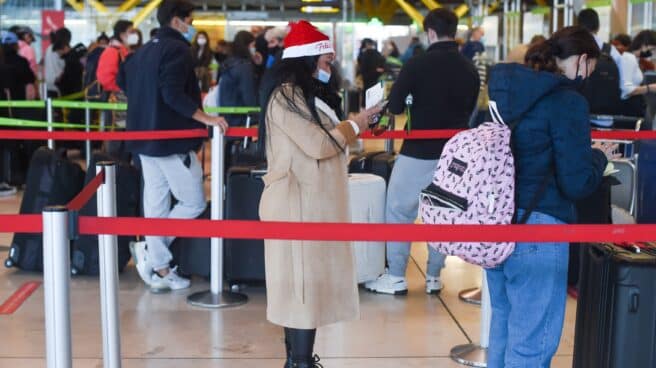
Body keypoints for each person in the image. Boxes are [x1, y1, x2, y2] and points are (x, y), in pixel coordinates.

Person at [485, 26, 618, 367]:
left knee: (504, 328)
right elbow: (576, 182)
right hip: (540, 228)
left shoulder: (509, 90)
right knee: (533, 342)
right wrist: (598, 156)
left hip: (497, 221)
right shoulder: (568, 101)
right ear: (583, 60)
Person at [258, 20, 380, 368]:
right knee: (300, 291)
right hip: (296, 206)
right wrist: (357, 124)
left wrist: (356, 123)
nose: (331, 66)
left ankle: (298, 360)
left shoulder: (301, 96)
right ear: (308, 59)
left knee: (302, 289)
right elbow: (317, 143)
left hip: (308, 204)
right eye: (326, 61)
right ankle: (300, 362)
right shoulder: (285, 96)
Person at [364, 9, 480, 295]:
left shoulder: (417, 64)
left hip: (418, 150)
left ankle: (396, 275)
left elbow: (396, 107)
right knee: (442, 211)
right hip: (456, 154)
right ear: (455, 31)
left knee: (399, 209)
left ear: (430, 32)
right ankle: (433, 277)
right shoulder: (469, 68)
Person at [118, 0, 228, 292]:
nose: (192, 27)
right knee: (193, 202)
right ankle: (154, 255)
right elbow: (172, 93)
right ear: (177, 21)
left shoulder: (141, 52)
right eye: (189, 20)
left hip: (142, 140)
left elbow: (123, 82)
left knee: (155, 203)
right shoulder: (178, 49)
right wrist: (206, 118)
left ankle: (159, 264)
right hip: (170, 141)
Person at [219, 30, 258, 127]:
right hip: (241, 119)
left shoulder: (229, 62)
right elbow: (248, 95)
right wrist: (257, 117)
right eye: (253, 45)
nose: (254, 48)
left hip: (227, 117)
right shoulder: (244, 66)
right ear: (247, 46)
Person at [357, 38, 385, 107]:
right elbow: (382, 63)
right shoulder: (376, 53)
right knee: (374, 93)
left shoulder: (363, 53)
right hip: (375, 77)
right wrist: (378, 70)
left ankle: (365, 107)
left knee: (366, 92)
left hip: (366, 76)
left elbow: (361, 65)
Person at [44, 28, 71, 98]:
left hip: (49, 85)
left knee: (51, 107)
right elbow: (65, 67)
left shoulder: (49, 48)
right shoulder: (61, 49)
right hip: (59, 86)